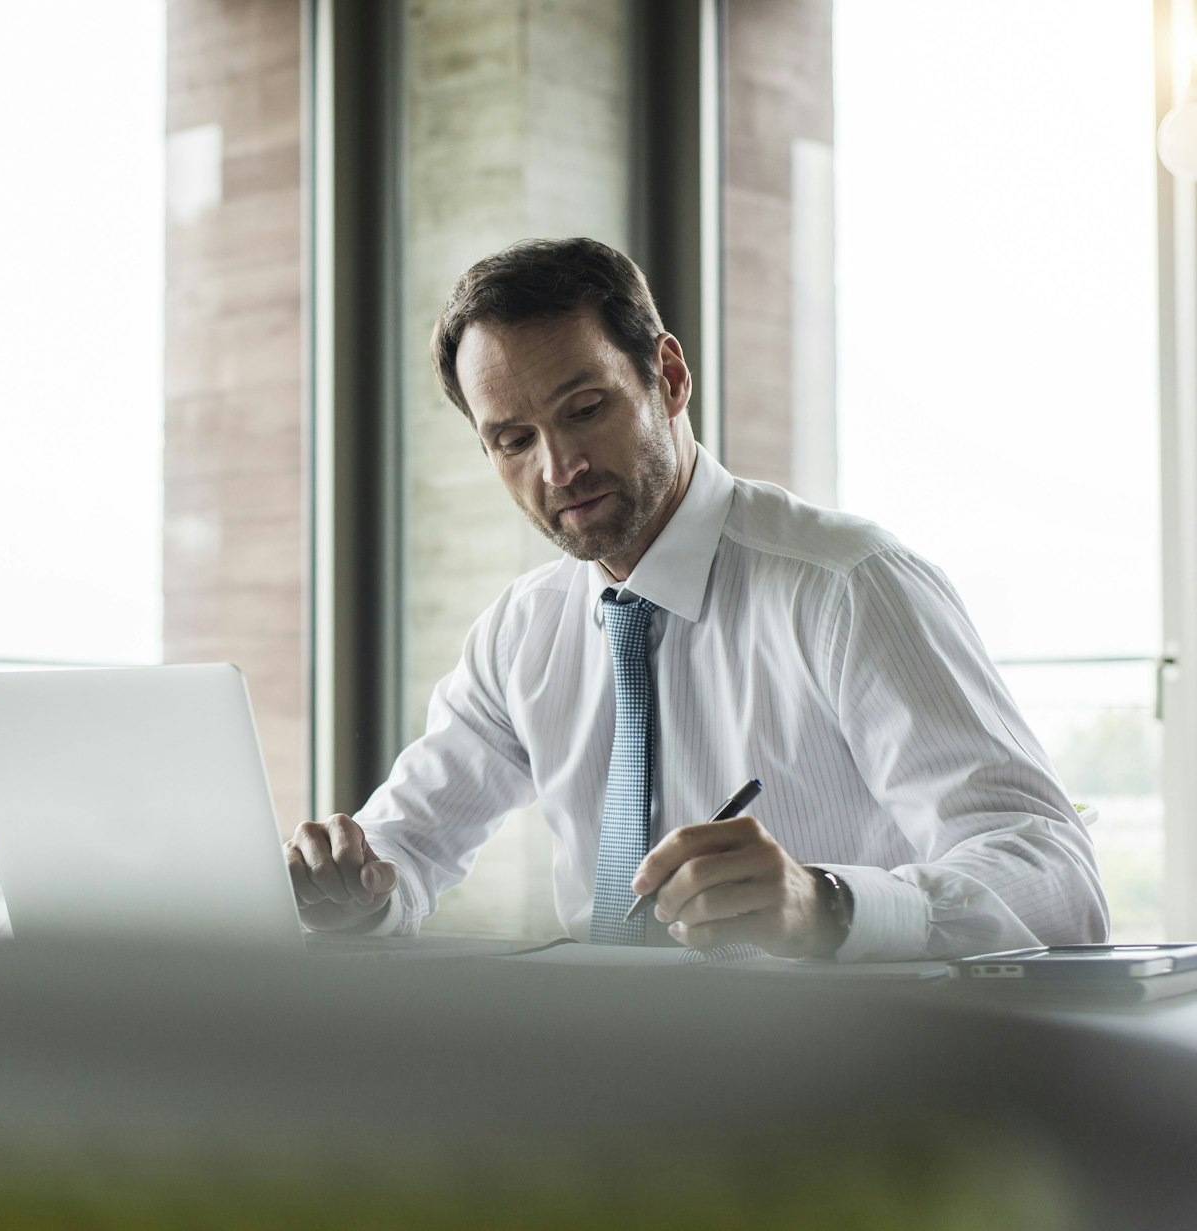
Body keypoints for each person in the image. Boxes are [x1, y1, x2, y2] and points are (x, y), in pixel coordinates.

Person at [284, 237, 1106, 961]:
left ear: (668, 377)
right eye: (514, 440)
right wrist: (354, 890)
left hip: (845, 1082)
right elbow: (406, 848)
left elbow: (1055, 876)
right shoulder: (520, 633)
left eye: (586, 408)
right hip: (619, 1093)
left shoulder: (845, 586)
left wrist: (825, 904)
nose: (559, 466)